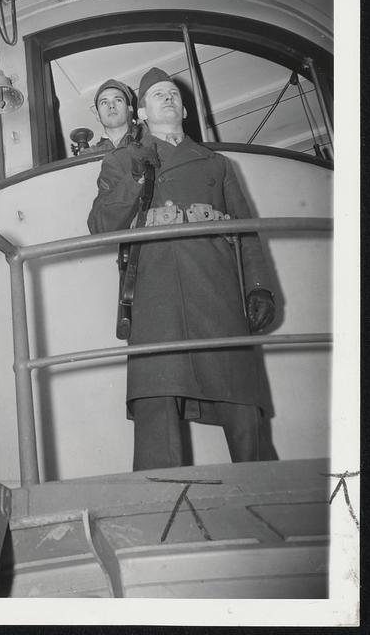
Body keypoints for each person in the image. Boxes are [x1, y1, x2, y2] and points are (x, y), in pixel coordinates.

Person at [88, 67, 276, 471]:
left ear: (185, 110)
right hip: (156, 294)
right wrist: (138, 177)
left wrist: (258, 287)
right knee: (157, 403)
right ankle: (158, 511)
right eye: (158, 94)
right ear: (141, 112)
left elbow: (245, 231)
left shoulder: (217, 164)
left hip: (217, 287)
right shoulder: (120, 161)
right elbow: (101, 227)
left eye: (174, 93)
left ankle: (267, 496)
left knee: (243, 402)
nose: (169, 97)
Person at [89, 78, 138, 152]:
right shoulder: (90, 154)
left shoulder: (148, 139)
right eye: (104, 102)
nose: (111, 105)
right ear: (97, 115)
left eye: (118, 100)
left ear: (130, 109)